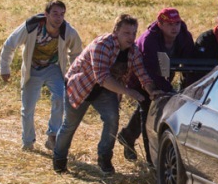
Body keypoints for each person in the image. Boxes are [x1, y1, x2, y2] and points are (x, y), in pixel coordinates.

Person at [53, 14, 161, 174]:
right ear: (115, 31)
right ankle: (59, 161)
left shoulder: (133, 51)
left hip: (105, 90)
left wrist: (152, 91)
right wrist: (129, 92)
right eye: (126, 33)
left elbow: (142, 74)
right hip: (81, 86)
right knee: (69, 125)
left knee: (112, 120)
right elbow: (102, 77)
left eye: (134, 33)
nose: (131, 37)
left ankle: (104, 159)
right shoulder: (102, 45)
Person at [0, 0, 82, 151]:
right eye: (55, 14)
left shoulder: (67, 31)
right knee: (27, 108)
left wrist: (73, 75)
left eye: (62, 14)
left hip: (53, 68)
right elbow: (10, 44)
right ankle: (28, 142)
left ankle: (52, 136)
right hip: (32, 69)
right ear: (46, 14)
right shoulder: (31, 26)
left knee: (60, 97)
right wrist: (4, 68)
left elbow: (76, 53)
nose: (58, 18)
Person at [117, 8, 195, 162]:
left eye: (177, 23)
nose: (174, 28)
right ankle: (151, 162)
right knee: (148, 110)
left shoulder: (184, 36)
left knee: (147, 108)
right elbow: (149, 70)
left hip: (164, 74)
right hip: (140, 76)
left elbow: (190, 63)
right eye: (169, 24)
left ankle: (127, 135)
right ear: (160, 24)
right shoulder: (149, 40)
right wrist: (169, 91)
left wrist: (188, 89)